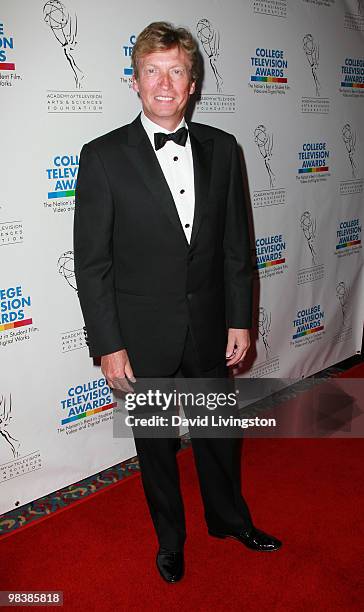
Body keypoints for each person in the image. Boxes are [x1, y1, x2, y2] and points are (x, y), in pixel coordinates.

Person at [74, 21, 282, 584]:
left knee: (220, 436)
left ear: (193, 83)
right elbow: (93, 265)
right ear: (135, 80)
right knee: (157, 449)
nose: (164, 83)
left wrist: (240, 319)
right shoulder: (102, 157)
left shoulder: (224, 147)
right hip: (143, 337)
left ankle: (228, 519)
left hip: (211, 325)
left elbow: (238, 249)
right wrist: (109, 347)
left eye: (177, 71)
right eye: (152, 71)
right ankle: (171, 539)